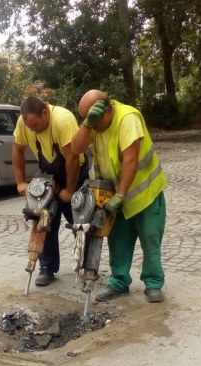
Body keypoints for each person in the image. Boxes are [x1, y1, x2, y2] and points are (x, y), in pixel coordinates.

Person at [70, 89, 168, 303]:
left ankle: (153, 283)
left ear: (106, 110)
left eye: (91, 119)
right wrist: (87, 124)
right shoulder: (94, 124)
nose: (91, 124)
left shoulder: (127, 118)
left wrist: (121, 194)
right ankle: (119, 282)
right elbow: (75, 148)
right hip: (114, 195)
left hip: (144, 194)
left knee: (150, 240)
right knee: (117, 241)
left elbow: (130, 160)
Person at [12, 97, 89, 286]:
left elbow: (72, 159)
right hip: (48, 175)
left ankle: (86, 266)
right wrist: (20, 182)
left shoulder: (62, 120)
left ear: (45, 113)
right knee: (43, 220)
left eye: (35, 125)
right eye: (29, 127)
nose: (32, 130)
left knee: (81, 224)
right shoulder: (24, 122)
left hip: (74, 175)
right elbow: (17, 150)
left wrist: (69, 191)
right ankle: (46, 267)